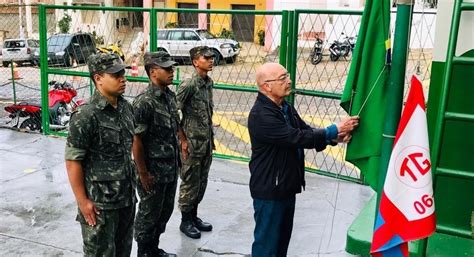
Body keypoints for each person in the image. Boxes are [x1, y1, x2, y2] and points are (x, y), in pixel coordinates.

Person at [248, 62, 359, 257]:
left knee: (281, 242)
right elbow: (294, 138)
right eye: (282, 78)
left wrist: (334, 138)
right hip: (270, 190)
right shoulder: (261, 115)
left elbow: (304, 130)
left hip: (285, 186)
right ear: (267, 86)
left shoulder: (284, 107)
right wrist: (333, 129)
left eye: (288, 75)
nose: (289, 81)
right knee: (266, 246)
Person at [65, 53, 136, 257]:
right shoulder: (86, 116)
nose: (123, 79)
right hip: (100, 205)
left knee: (124, 250)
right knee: (100, 253)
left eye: (123, 74)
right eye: (115, 75)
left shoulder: (126, 108)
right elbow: (72, 162)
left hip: (126, 197)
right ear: (98, 78)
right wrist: (82, 202)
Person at [132, 51, 187, 257]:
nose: (172, 72)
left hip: (170, 169)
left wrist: (182, 140)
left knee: (164, 212)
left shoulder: (169, 97)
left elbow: (175, 124)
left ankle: (153, 249)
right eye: (167, 69)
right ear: (153, 72)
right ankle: (144, 251)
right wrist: (143, 173)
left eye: (172, 68)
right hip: (152, 172)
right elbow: (136, 140)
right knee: (148, 214)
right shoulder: (144, 102)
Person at [176, 46, 215, 239]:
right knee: (190, 182)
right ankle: (185, 221)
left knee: (201, 182)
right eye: (206, 57)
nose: (211, 60)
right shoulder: (188, 84)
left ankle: (194, 216)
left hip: (206, 143)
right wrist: (182, 139)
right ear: (195, 61)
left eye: (211, 57)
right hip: (191, 145)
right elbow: (175, 112)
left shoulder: (208, 83)